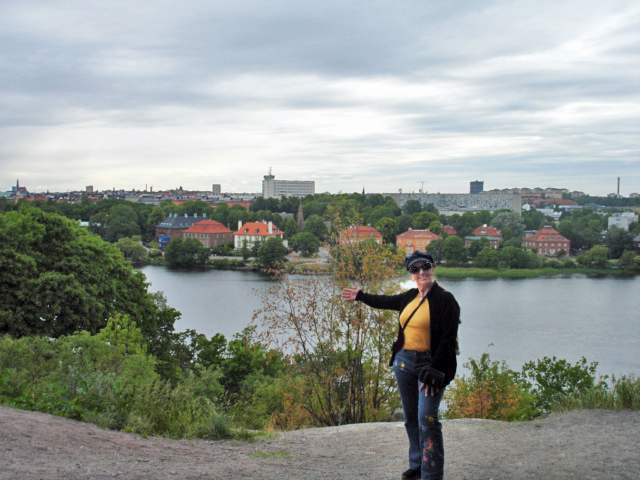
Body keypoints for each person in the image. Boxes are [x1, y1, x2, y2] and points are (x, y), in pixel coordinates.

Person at [342, 251, 460, 480]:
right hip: (404, 363)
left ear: (432, 268)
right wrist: (361, 296)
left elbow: (447, 338)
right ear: (411, 274)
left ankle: (431, 474)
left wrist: (436, 371)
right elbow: (385, 301)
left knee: (427, 418)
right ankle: (417, 464)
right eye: (415, 269)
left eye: (425, 267)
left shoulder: (446, 300)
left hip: (430, 365)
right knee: (411, 418)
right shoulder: (409, 296)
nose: (421, 272)